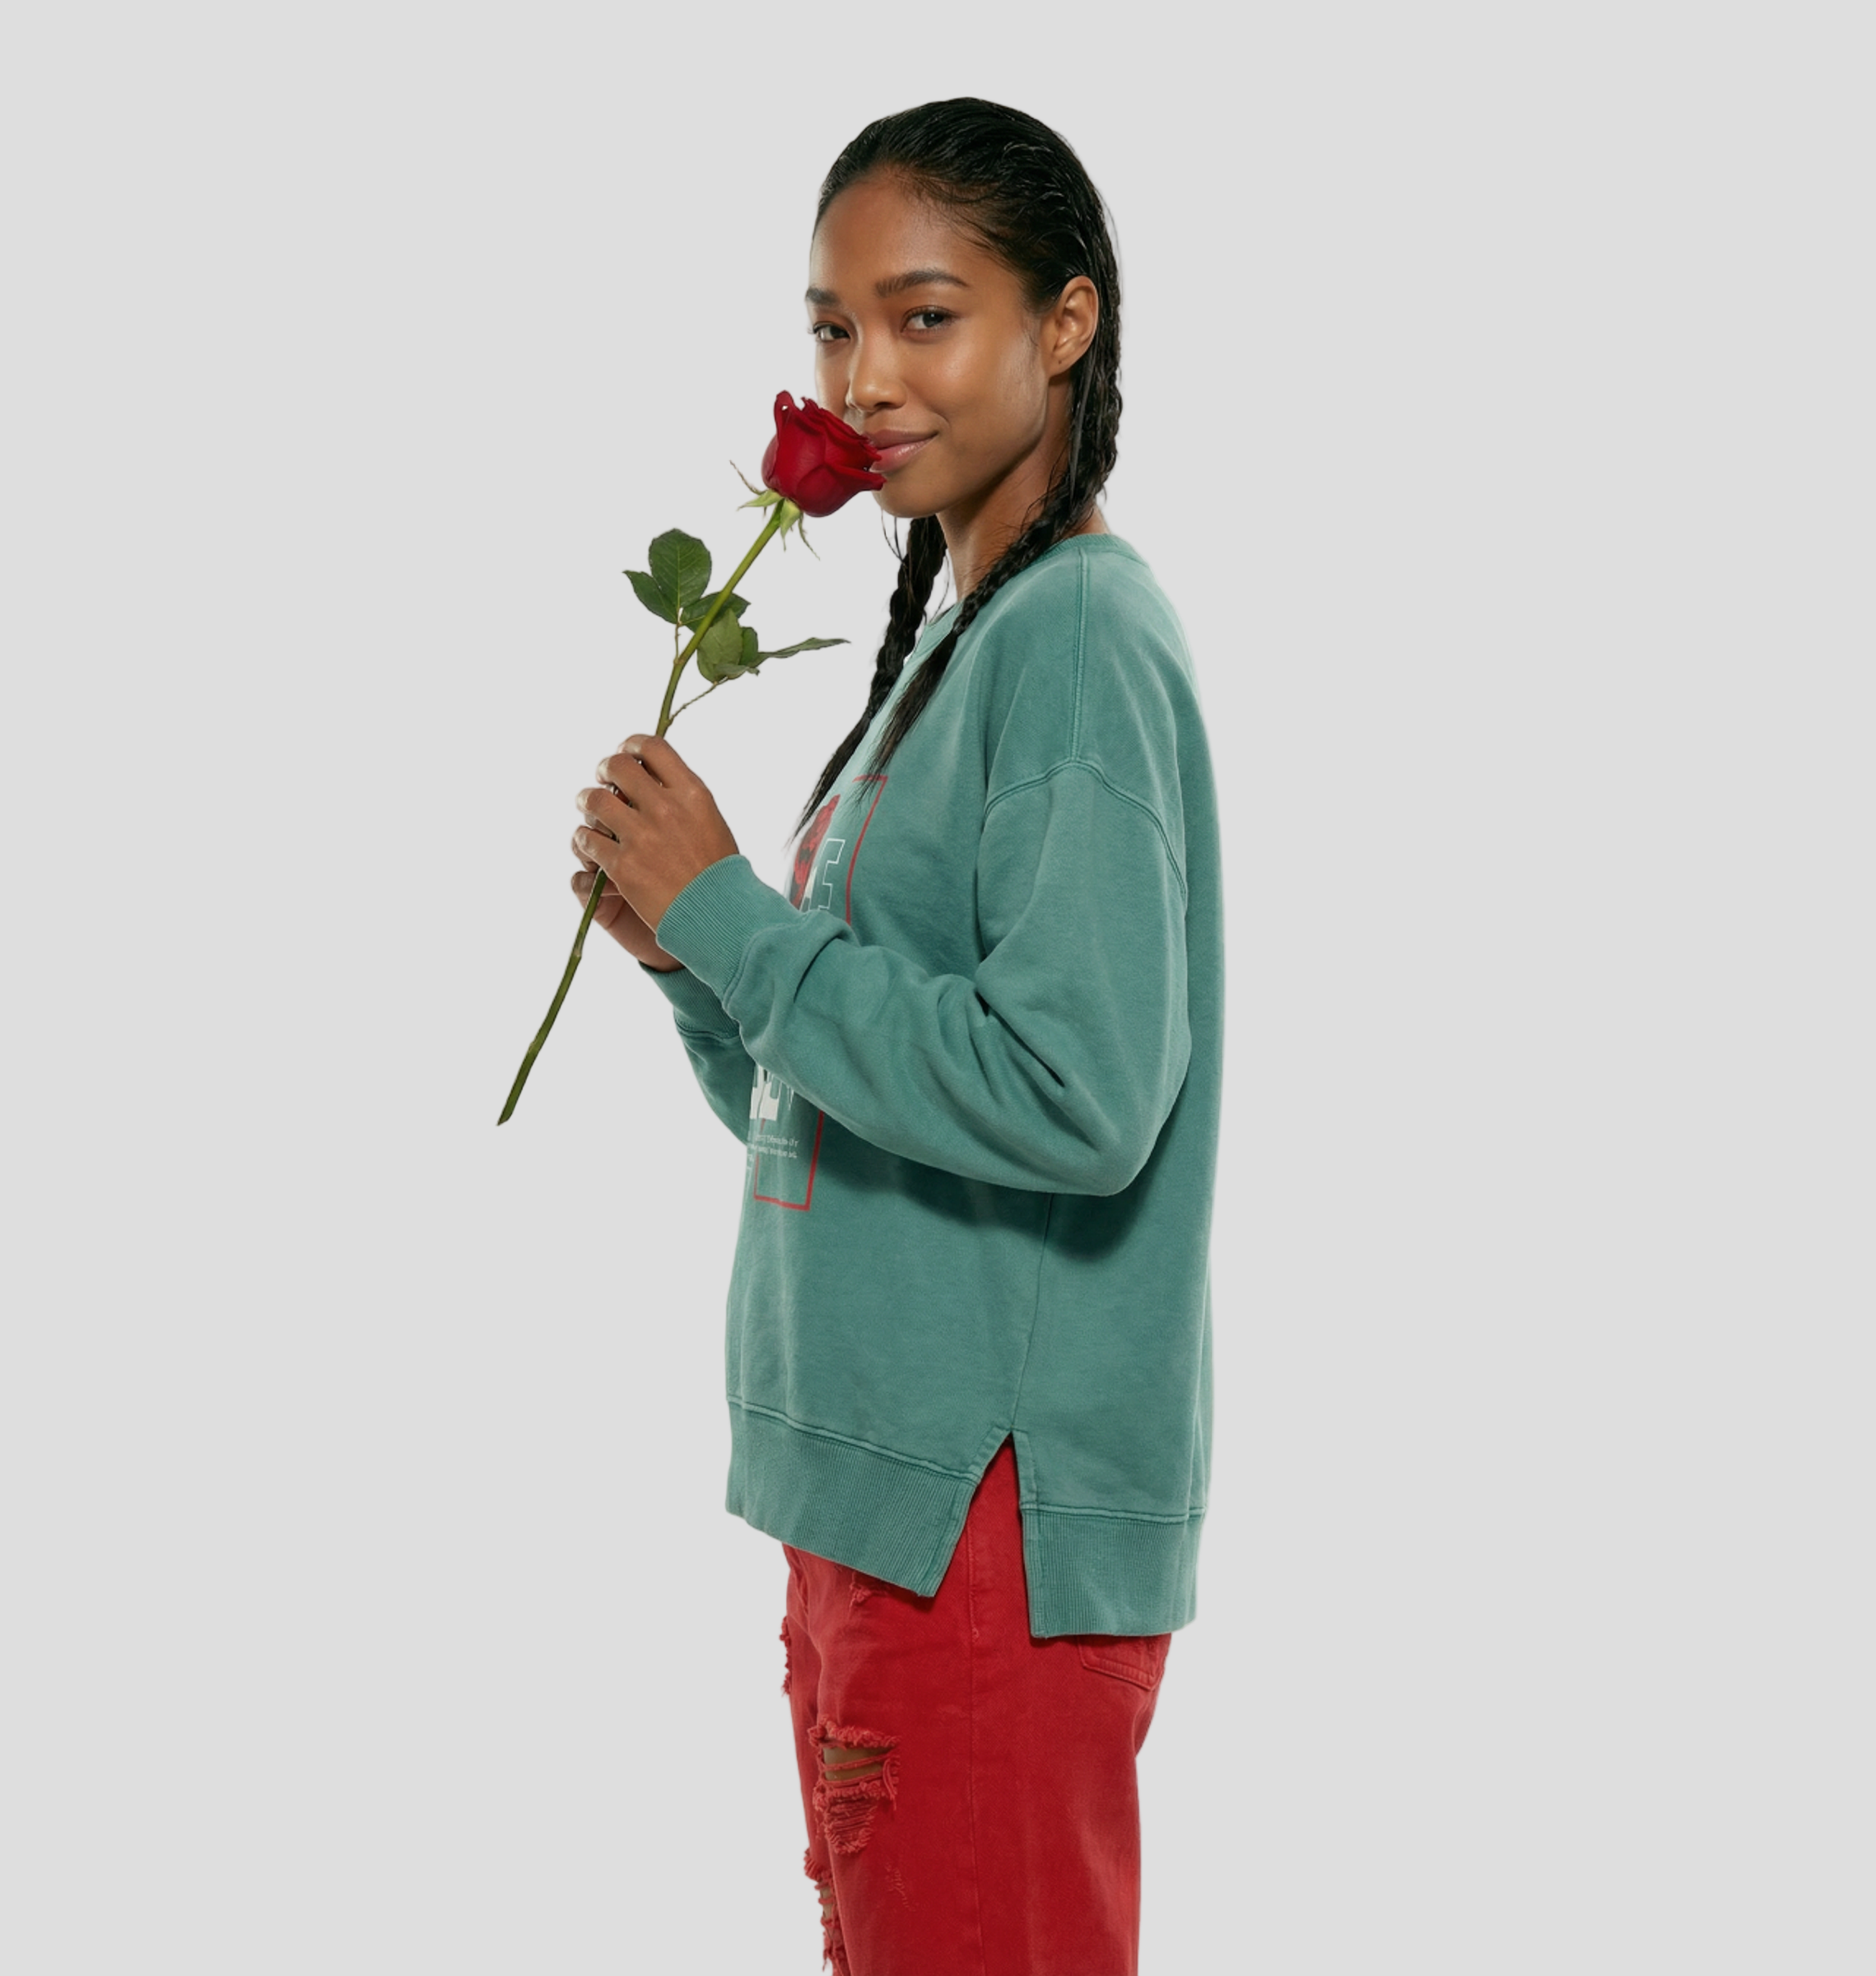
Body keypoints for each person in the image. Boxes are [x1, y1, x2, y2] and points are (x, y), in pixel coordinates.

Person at [567, 98, 1222, 1976]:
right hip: (882, 1507)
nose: (865, 376)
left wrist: (750, 937)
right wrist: (702, 963)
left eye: (924, 317)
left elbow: (1081, 1094)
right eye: (833, 327)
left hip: (980, 1532)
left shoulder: (1077, 639)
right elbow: (854, 1102)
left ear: (1065, 327)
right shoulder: (966, 641)